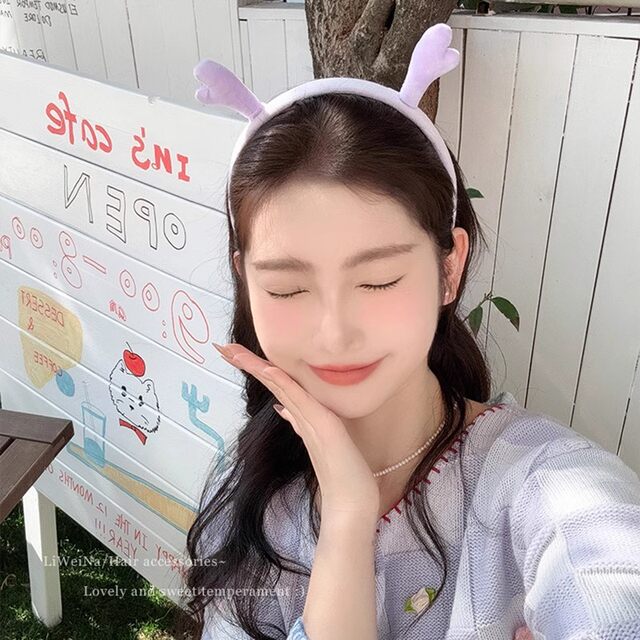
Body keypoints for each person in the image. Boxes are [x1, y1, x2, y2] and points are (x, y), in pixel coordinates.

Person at [181, 23, 640, 640]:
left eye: (378, 282)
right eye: (287, 288)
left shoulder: (543, 486)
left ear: (449, 268)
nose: (334, 334)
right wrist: (347, 518)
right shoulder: (250, 482)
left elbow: (611, 586)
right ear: (246, 280)